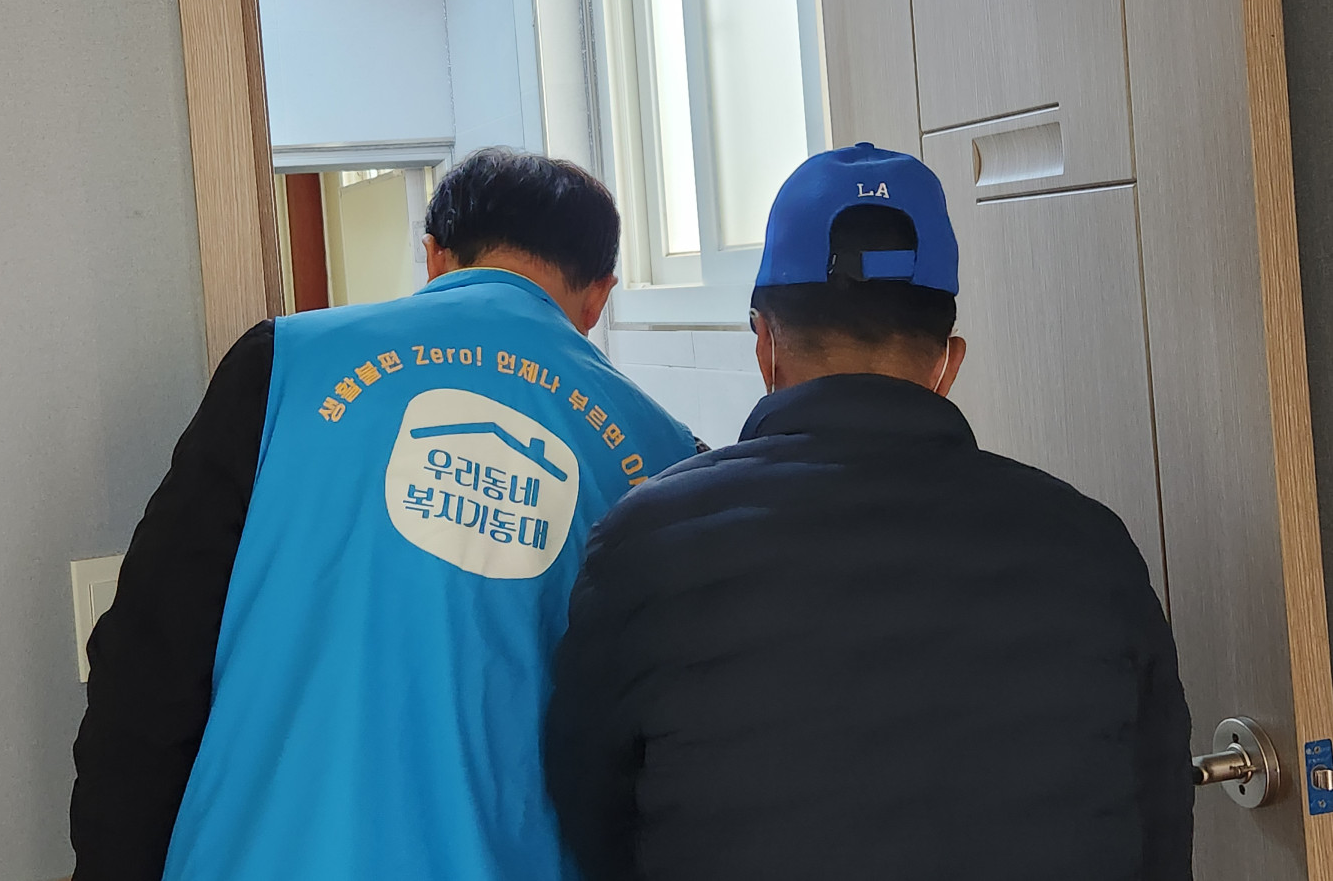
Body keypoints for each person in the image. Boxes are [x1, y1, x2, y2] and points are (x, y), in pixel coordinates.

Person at [544, 142, 1193, 881]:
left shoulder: (646, 546)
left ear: (765, 344)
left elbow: (593, 817)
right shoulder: (1093, 549)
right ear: (949, 361)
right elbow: (1159, 819)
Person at [72, 148, 698, 881]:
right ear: (599, 297)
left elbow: (150, 666)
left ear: (433, 257)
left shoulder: (282, 367)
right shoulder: (670, 455)